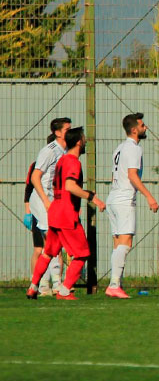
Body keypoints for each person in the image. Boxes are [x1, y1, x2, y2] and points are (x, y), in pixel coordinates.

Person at [27, 127, 106, 300]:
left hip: (55, 211)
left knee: (48, 252)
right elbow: (70, 186)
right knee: (82, 254)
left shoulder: (61, 160)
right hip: (66, 214)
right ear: (79, 142)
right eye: (84, 138)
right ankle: (64, 291)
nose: (85, 141)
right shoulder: (72, 162)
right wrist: (92, 197)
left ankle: (33, 287)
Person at [105, 113, 159, 298]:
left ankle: (115, 284)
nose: (146, 128)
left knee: (118, 243)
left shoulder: (119, 148)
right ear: (135, 129)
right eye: (143, 125)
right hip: (124, 199)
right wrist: (149, 197)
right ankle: (113, 285)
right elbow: (132, 175)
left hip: (113, 197)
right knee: (126, 243)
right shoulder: (134, 149)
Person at [29, 117, 73, 295]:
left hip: (54, 202)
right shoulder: (49, 151)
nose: (70, 132)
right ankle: (52, 285)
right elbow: (34, 177)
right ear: (58, 132)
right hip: (42, 200)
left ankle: (45, 284)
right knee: (53, 241)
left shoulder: (66, 151)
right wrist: (46, 201)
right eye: (67, 129)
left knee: (54, 243)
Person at [23, 135, 55, 284]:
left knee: (53, 247)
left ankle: (53, 283)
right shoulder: (37, 165)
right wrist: (28, 212)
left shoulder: (60, 164)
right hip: (39, 208)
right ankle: (35, 281)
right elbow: (29, 188)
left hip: (53, 207)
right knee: (38, 248)